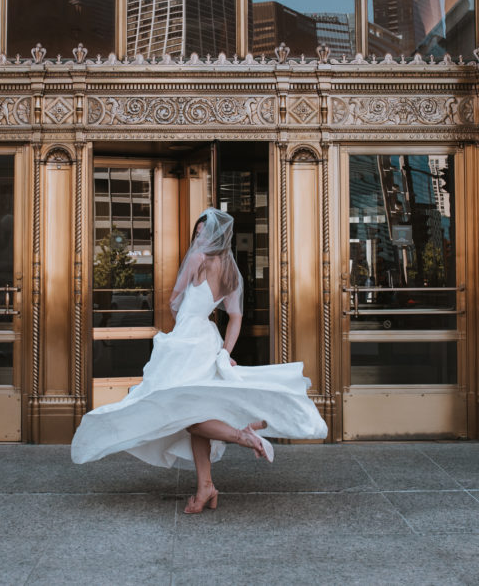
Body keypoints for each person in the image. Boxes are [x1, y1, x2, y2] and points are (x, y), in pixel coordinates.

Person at [71, 207, 327, 514]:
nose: (198, 235)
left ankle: (241, 435)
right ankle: (206, 486)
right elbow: (235, 317)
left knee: (187, 414)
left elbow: (173, 301)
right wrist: (224, 352)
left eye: (202, 231)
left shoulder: (198, 259)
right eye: (198, 231)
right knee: (193, 411)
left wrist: (182, 317)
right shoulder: (231, 271)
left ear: (213, 234)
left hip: (186, 341)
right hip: (209, 339)